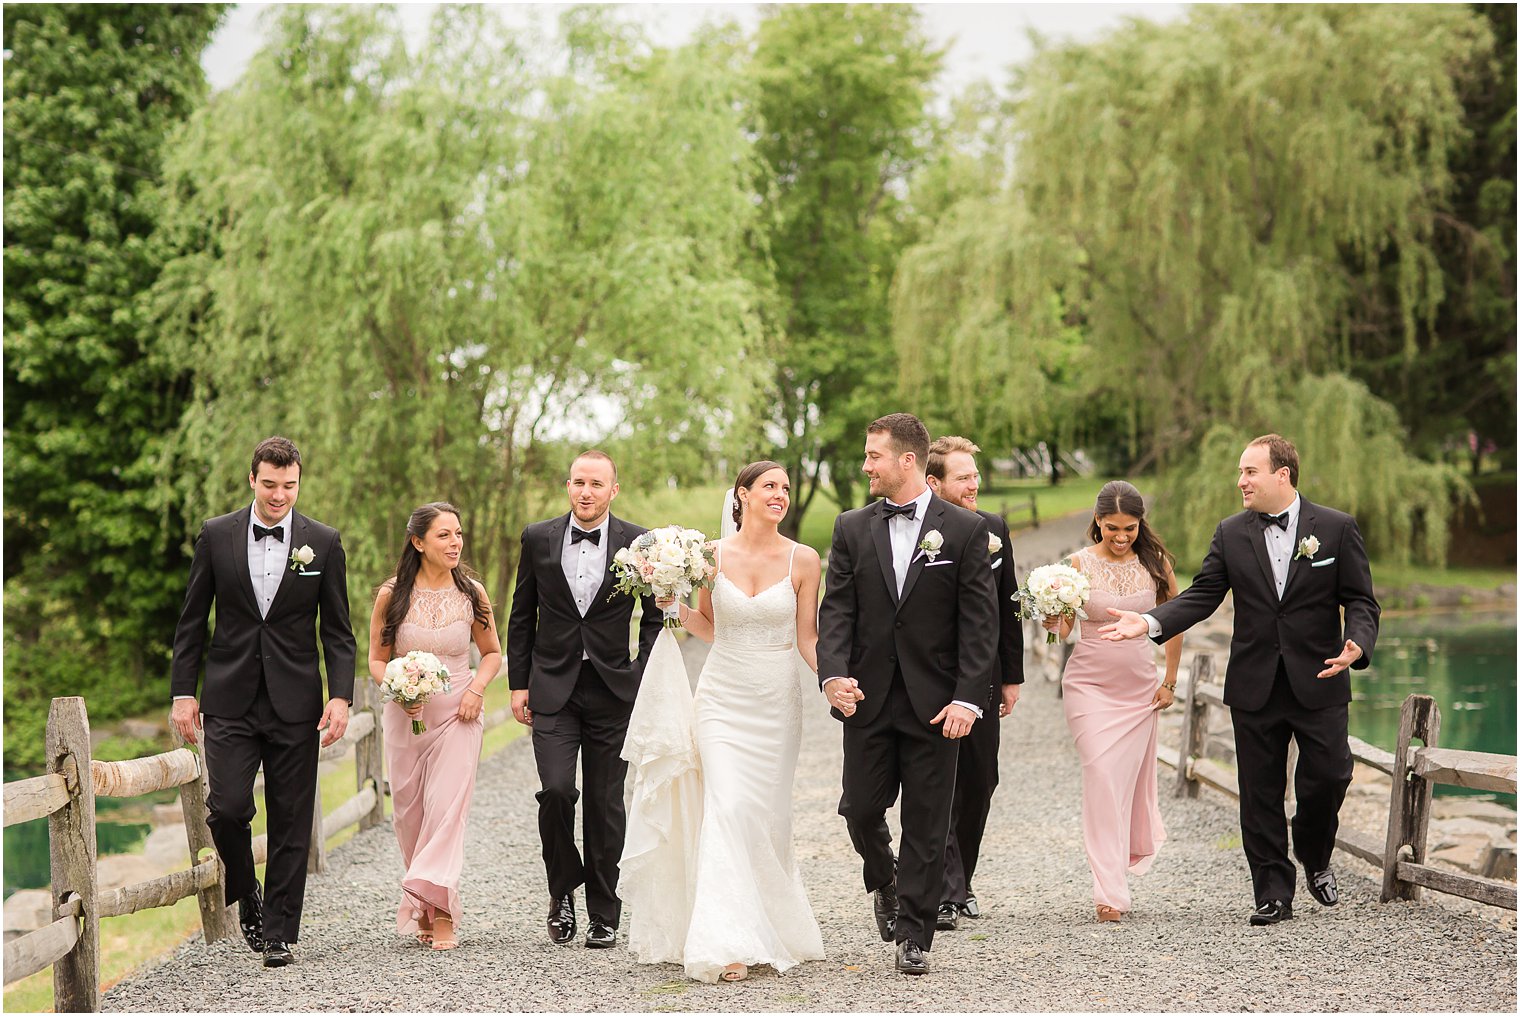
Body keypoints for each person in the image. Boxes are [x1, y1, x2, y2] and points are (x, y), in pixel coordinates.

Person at [1101, 435, 1380, 926]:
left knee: (1331, 774)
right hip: (1255, 684)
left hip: (1321, 677)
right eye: (1240, 472)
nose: (1241, 481)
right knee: (1259, 791)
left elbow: (1361, 600)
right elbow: (1203, 594)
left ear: (1282, 475)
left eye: (1250, 472)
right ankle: (1272, 892)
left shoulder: (1336, 529)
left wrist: (1356, 641)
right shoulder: (1231, 533)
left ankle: (1314, 853)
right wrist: (1148, 623)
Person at [622, 461, 827, 983]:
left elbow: (808, 638)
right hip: (721, 698)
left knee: (769, 817)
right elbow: (708, 628)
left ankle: (773, 922)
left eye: (784, 488)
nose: (779, 495)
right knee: (727, 805)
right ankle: (726, 940)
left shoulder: (804, 561)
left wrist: (833, 679)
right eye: (769, 487)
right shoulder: (711, 557)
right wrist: (674, 606)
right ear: (743, 495)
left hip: (777, 703)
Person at [817, 413, 999, 975]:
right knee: (860, 806)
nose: (866, 465)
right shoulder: (850, 528)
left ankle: (915, 934)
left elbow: (980, 623)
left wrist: (969, 698)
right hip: (867, 698)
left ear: (906, 461)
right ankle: (886, 881)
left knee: (926, 820)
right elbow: (837, 611)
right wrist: (831, 674)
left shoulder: (965, 532)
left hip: (937, 703)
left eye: (874, 456)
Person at [170, 436, 356, 968]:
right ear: (253, 479)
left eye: (289, 486)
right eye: (270, 484)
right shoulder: (216, 534)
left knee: (292, 816)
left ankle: (278, 931)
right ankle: (245, 890)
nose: (279, 495)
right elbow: (191, 624)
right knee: (227, 809)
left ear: (299, 482)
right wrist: (185, 693)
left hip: (296, 700)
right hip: (228, 698)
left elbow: (338, 633)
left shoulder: (323, 541)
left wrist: (339, 696)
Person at [506, 450, 661, 948]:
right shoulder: (537, 537)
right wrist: (518, 683)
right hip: (552, 688)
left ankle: (604, 913)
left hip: (612, 690)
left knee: (604, 803)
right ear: (567, 485)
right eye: (578, 482)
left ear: (613, 489)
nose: (586, 491)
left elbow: (657, 614)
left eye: (596, 483)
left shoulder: (639, 541)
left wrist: (639, 673)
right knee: (555, 792)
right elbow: (521, 614)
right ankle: (561, 891)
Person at [368, 502, 501, 951]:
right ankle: (422, 904)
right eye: (444, 535)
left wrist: (477, 690)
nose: (455, 543)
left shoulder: (473, 594)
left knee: (446, 811)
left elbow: (493, 653)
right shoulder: (392, 595)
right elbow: (376, 659)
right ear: (418, 542)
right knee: (410, 815)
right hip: (406, 716)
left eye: (458, 534)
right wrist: (399, 689)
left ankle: (443, 913)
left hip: (461, 713)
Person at [1045, 481, 1179, 923]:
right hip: (1088, 686)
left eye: (1130, 528)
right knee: (1102, 776)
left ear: (1140, 524)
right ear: (1097, 522)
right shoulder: (1076, 566)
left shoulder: (1156, 564)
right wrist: (1050, 617)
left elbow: (1174, 624)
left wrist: (1170, 681)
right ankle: (1109, 892)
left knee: (1124, 784)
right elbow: (1061, 631)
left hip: (1139, 688)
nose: (1121, 537)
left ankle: (1119, 864)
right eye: (1112, 528)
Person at [923, 436, 1023, 930]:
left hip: (984, 675)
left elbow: (1009, 606)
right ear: (933, 482)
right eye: (964, 477)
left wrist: (1012, 677)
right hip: (928, 676)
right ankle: (945, 888)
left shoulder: (994, 529)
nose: (974, 485)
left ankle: (960, 880)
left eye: (975, 476)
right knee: (937, 778)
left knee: (982, 780)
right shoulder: (916, 530)